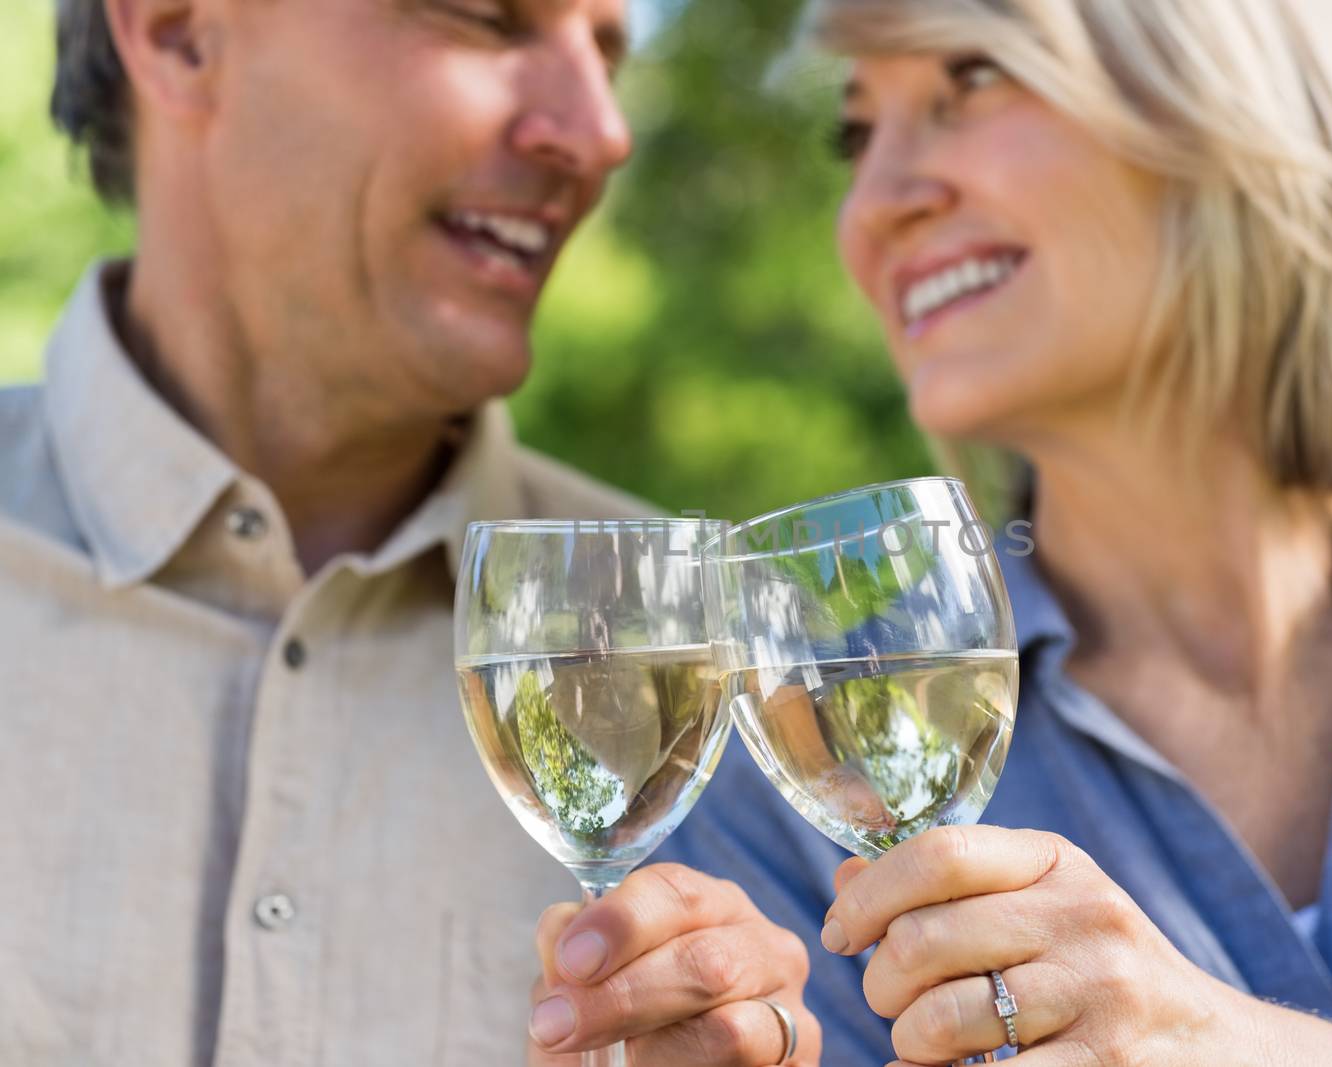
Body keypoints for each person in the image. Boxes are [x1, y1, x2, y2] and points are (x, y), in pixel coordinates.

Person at [653, 0, 1332, 1064]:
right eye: (856, 133)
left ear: (1225, 101)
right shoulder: (793, 788)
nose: (872, 205)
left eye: (969, 82)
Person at [0, 1, 816, 1063]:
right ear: (178, 32)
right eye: (486, 18)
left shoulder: (730, 665)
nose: (603, 130)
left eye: (608, 49)